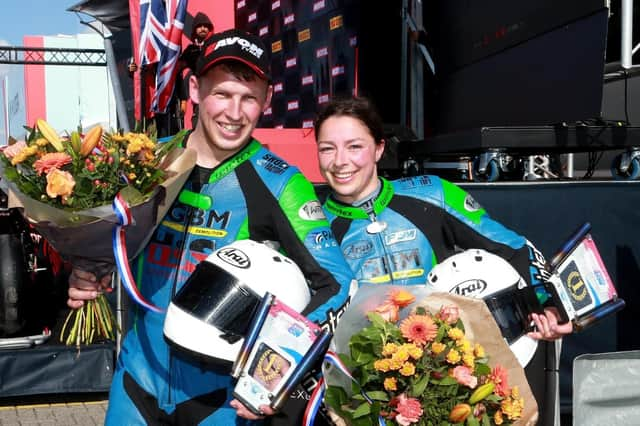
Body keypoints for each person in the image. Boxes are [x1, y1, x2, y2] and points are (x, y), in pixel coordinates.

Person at [67, 29, 355, 425]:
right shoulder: (149, 163)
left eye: (248, 98)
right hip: (137, 381)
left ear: (266, 101)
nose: (234, 114)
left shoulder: (280, 182)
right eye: (222, 94)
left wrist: (275, 369)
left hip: (220, 399)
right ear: (195, 89)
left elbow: (337, 284)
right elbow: (113, 238)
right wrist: (90, 268)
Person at [313, 96, 572, 420]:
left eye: (354, 146)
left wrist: (550, 305)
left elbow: (515, 249)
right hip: (366, 385)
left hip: (447, 373)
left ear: (379, 148)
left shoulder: (431, 193)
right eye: (327, 148)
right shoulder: (308, 220)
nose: (340, 161)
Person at [178, 12, 214, 129]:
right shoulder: (190, 50)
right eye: (200, 26)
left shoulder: (216, 44)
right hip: (198, 95)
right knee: (198, 125)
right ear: (194, 30)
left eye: (206, 26)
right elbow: (177, 69)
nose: (203, 28)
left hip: (215, 92)